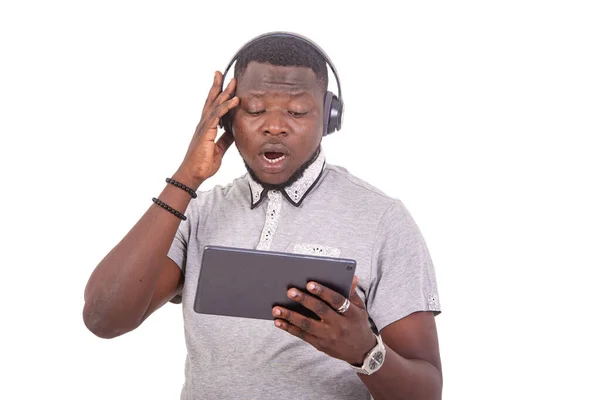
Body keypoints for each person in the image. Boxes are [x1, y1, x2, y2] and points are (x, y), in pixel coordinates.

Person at [83, 32, 443, 400]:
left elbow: (427, 391)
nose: (274, 125)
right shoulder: (194, 213)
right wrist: (186, 177)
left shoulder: (383, 220)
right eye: (255, 110)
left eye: (297, 111)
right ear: (225, 118)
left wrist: (366, 353)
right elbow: (103, 318)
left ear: (330, 117)